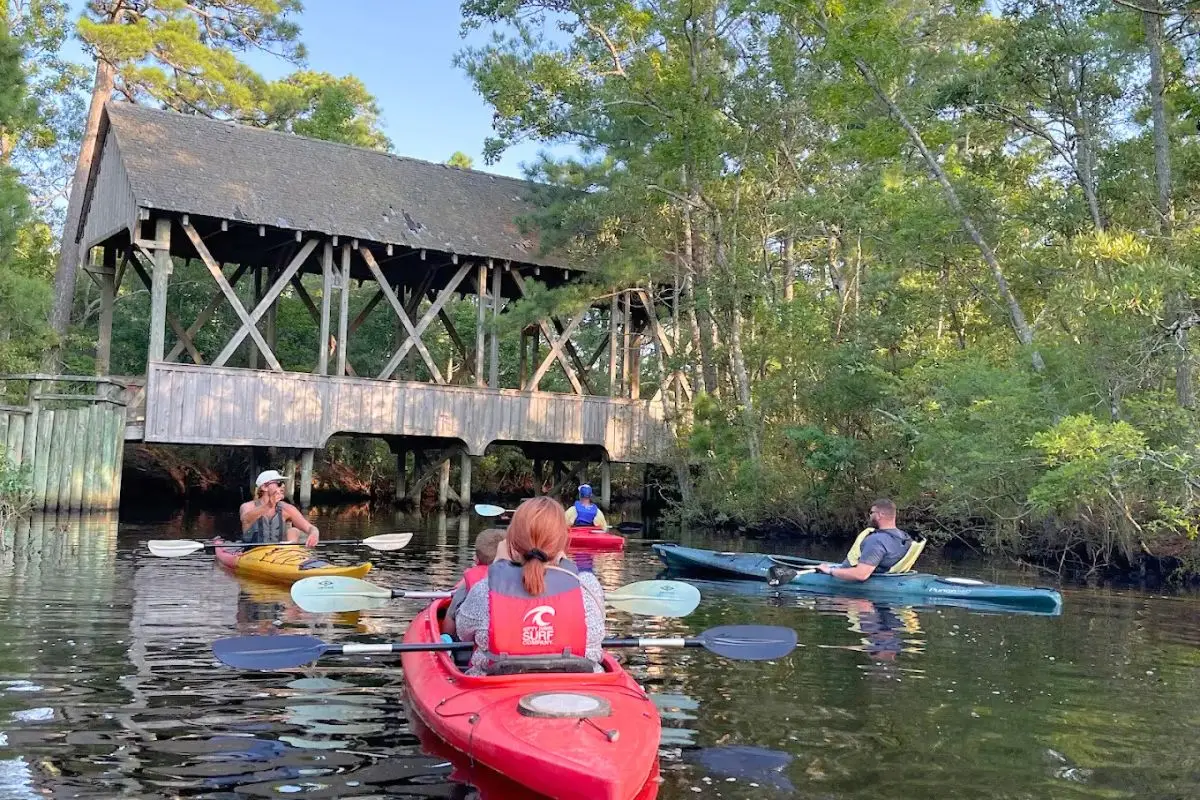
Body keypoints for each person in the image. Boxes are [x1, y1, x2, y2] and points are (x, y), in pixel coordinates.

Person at [452, 497, 606, 676]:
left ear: (512, 545)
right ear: (563, 542)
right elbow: (598, 631)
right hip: (579, 691)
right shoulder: (587, 585)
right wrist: (561, 559)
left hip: (497, 685)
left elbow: (463, 632)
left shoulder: (485, 590)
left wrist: (498, 565)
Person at [814, 498, 917, 582]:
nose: (870, 516)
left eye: (872, 513)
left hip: (870, 581)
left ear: (880, 514)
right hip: (889, 576)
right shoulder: (905, 537)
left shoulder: (876, 540)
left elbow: (861, 575)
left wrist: (830, 571)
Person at [443, 528, 507, 630]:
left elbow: (450, 617)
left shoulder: (467, 588)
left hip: (471, 638)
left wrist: (447, 636)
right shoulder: (516, 583)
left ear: (476, 559)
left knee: (450, 616)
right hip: (504, 635)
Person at [239, 470, 320, 547]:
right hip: (252, 553)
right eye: (279, 483)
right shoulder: (247, 506)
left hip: (279, 553)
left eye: (283, 483)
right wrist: (268, 506)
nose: (283, 486)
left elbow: (310, 527)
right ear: (264, 487)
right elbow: (246, 519)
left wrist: (314, 533)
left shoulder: (287, 508)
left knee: (294, 530)